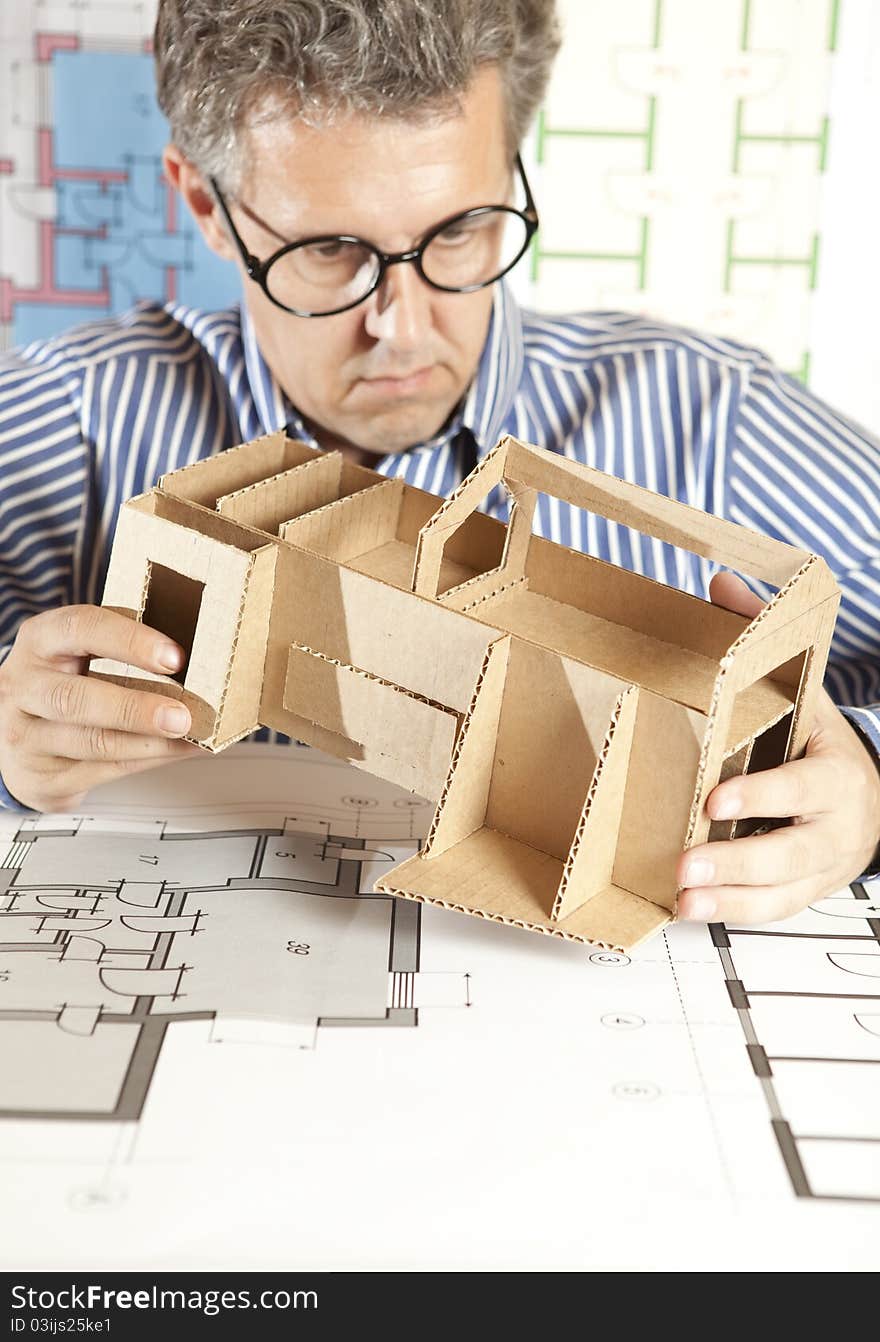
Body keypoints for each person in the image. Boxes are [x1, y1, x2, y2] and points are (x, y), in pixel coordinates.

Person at [0, 0, 877, 930]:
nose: (403, 327)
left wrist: (867, 788)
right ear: (207, 205)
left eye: (461, 230)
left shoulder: (713, 419)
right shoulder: (64, 422)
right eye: (330, 250)